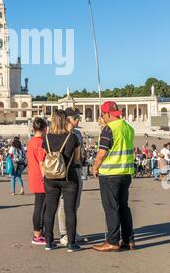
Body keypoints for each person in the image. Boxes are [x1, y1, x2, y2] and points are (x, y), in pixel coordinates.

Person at [92, 101, 135, 252]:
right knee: (124, 207)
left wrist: (95, 167)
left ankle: (112, 241)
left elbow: (102, 152)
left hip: (110, 174)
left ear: (107, 114)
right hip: (126, 172)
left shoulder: (108, 129)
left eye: (103, 114)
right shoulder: (128, 127)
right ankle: (129, 239)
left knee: (111, 208)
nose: (103, 117)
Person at [42, 110, 81, 252]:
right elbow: (77, 158)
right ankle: (71, 243)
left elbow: (46, 156)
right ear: (65, 121)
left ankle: (49, 241)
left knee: (50, 210)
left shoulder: (46, 138)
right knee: (70, 210)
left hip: (50, 178)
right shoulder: (72, 137)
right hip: (69, 178)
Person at [58, 108, 88, 246]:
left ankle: (72, 230)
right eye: (76, 118)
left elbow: (81, 151)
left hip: (78, 168)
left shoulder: (78, 133)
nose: (78, 120)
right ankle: (64, 233)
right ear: (68, 119)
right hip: (65, 170)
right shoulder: (60, 133)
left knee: (75, 203)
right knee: (65, 202)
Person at [27, 117, 47, 245]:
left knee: (39, 206)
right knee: (41, 207)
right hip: (41, 177)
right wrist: (46, 178)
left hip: (33, 176)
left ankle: (38, 232)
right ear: (45, 129)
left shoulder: (31, 141)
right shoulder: (40, 142)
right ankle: (37, 234)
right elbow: (42, 162)